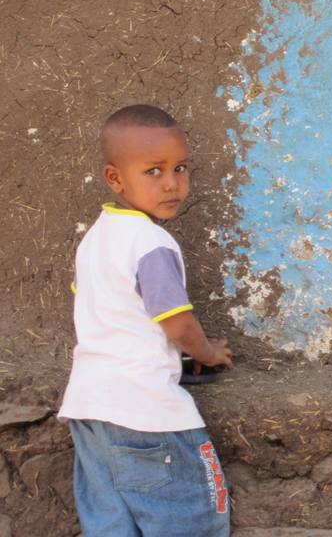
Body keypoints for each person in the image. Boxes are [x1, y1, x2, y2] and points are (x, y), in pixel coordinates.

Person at [58, 104, 234, 536]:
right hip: (146, 412)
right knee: (194, 518)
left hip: (88, 411)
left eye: (180, 168)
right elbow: (176, 323)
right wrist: (207, 351)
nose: (172, 183)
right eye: (153, 171)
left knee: (111, 526)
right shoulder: (151, 241)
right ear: (114, 178)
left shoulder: (94, 240)